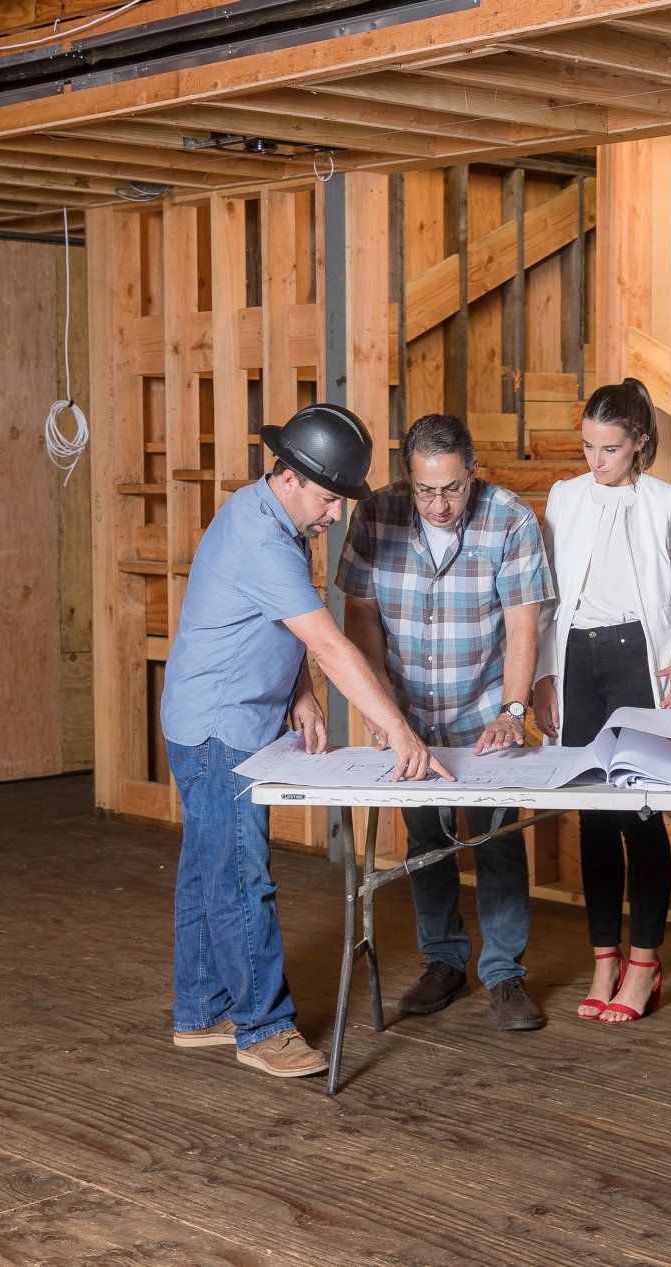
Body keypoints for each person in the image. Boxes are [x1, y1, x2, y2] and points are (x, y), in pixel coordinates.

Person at [161, 404, 452, 1079]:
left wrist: (298, 691)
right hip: (218, 728)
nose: (332, 515)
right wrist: (397, 728)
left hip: (225, 716)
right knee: (238, 873)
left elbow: (275, 625)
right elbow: (330, 642)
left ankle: (202, 1010)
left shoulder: (270, 518)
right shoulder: (262, 537)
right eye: (327, 498)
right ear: (289, 476)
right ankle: (263, 1027)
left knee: (208, 866)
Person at [336, 413, 555, 1031]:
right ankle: (444, 962)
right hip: (409, 716)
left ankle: (506, 974)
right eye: (427, 489)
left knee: (496, 841)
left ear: (473, 472)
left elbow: (522, 620)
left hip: (484, 710)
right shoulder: (376, 515)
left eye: (453, 488)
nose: (439, 503)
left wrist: (513, 710)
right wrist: (380, 709)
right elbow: (360, 617)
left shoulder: (510, 518)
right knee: (427, 841)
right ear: (409, 476)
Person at [532, 378, 671, 1025]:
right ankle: (602, 959)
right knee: (592, 815)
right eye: (587, 446)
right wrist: (544, 675)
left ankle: (643, 964)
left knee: (639, 811)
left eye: (608, 447)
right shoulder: (564, 496)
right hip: (577, 660)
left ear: (637, 443)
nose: (594, 460)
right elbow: (548, 597)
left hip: (640, 659)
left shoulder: (666, 500)